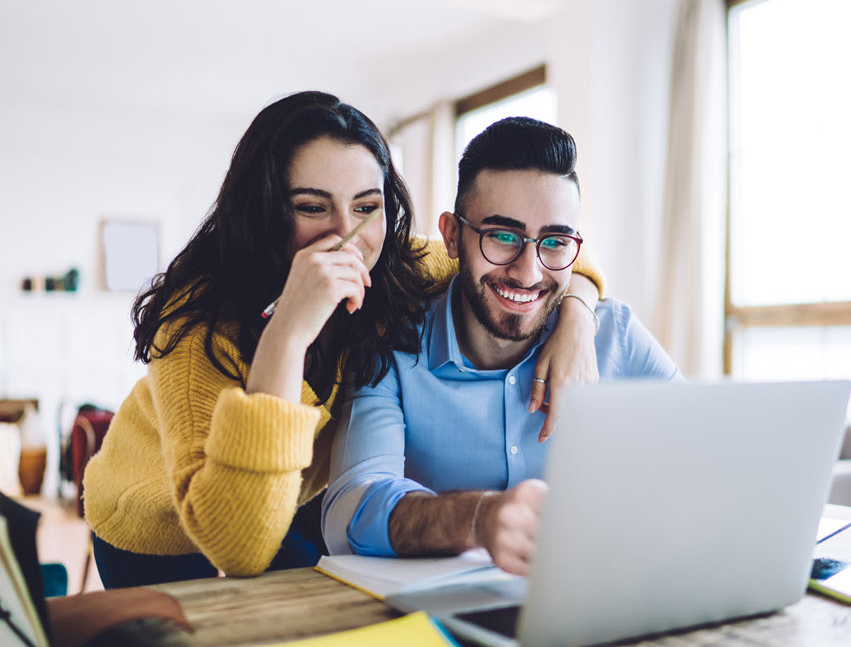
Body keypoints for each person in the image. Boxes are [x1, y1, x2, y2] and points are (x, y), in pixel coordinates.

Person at [82, 93, 605, 588]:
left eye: (365, 206)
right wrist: (288, 330)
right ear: (264, 210)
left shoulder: (400, 265)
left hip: (289, 497)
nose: (345, 236)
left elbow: (539, 254)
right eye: (312, 207)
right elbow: (236, 545)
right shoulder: (196, 323)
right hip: (160, 519)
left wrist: (578, 321)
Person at [322, 117, 681, 575]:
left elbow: (710, 459)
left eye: (554, 242)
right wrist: (475, 518)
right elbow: (348, 510)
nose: (528, 272)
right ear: (452, 236)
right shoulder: (393, 347)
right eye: (503, 236)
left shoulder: (615, 338)